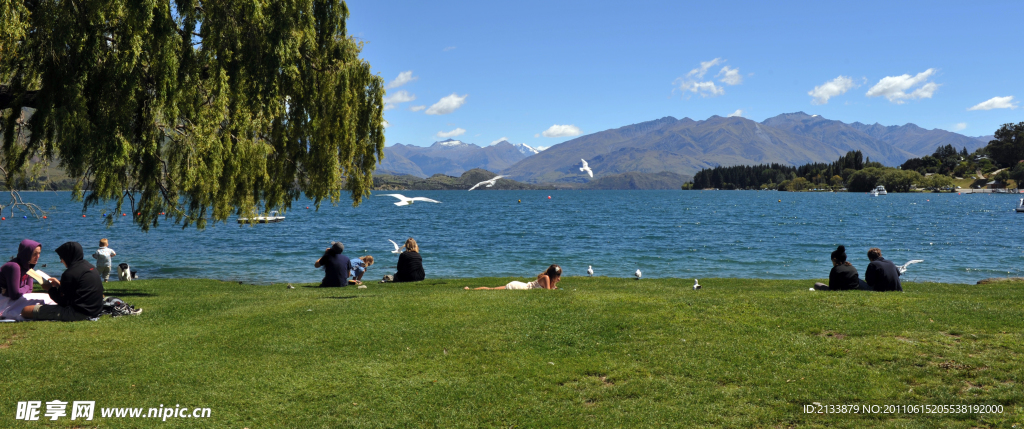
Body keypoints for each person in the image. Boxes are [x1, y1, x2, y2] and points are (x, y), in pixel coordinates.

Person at [22, 242, 104, 321]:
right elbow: (78, 288)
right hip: (96, 309)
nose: (61, 261)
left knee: (26, 310)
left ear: (68, 257)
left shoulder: (69, 273)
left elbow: (62, 302)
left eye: (62, 257)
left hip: (80, 313)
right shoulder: (89, 266)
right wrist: (60, 285)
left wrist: (50, 289)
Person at [465, 264, 562, 290]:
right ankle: (471, 290)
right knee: (492, 289)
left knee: (493, 289)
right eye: (558, 275)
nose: (559, 278)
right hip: (520, 287)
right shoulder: (546, 278)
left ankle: (471, 289)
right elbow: (548, 293)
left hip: (522, 286)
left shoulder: (549, 281)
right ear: (553, 275)